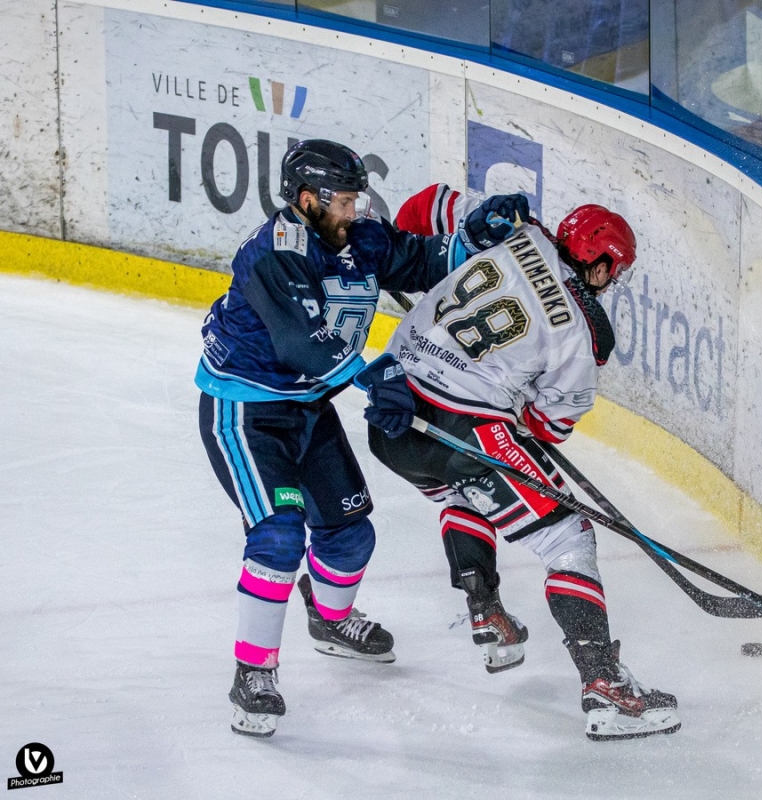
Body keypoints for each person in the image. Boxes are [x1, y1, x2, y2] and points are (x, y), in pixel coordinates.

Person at [195, 140, 529, 738]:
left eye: (356, 198)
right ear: (306, 201)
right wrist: (379, 375)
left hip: (308, 409)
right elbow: (305, 345)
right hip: (245, 411)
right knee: (278, 534)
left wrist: (476, 235)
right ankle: (254, 673)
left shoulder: (359, 236)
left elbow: (423, 260)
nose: (356, 210)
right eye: (344, 201)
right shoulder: (273, 253)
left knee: (350, 535)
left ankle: (329, 621)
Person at [368, 186, 681, 740]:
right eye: (616, 270)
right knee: (567, 537)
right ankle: (605, 686)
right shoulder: (581, 341)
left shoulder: (517, 228)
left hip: (391, 416)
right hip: (465, 429)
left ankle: (486, 610)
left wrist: (405, 263)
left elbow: (431, 203)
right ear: (602, 264)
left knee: (460, 491)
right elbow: (546, 428)